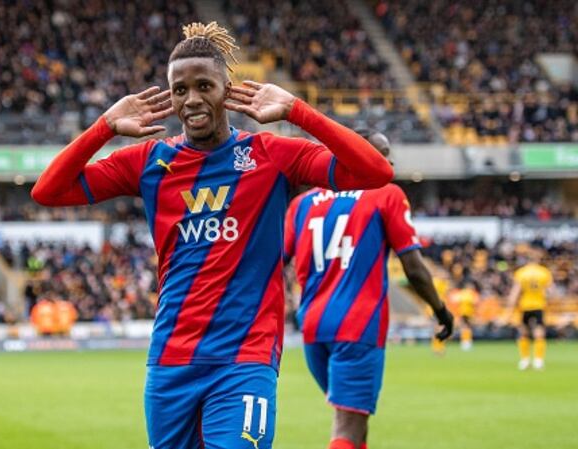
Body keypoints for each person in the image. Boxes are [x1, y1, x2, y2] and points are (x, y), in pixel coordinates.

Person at [31, 22, 393, 449]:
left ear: (227, 88)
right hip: (171, 361)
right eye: (180, 90)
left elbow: (376, 172)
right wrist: (105, 127)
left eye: (204, 86)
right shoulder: (150, 161)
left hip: (245, 360)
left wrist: (297, 110)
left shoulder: (270, 155)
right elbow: (47, 191)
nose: (192, 100)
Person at [283, 129, 453, 449]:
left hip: (313, 327)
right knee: (347, 426)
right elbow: (414, 268)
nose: (388, 162)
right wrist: (441, 310)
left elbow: (275, 264)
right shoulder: (385, 194)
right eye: (380, 153)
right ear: (354, 155)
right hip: (357, 325)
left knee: (355, 420)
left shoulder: (302, 204)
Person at [507, 250, 553, 370]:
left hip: (525, 306)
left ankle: (525, 360)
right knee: (539, 333)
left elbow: (515, 292)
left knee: (524, 333)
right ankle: (538, 360)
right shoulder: (544, 272)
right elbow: (550, 292)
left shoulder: (521, 273)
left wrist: (510, 308)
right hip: (539, 305)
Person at [454, 280, 479, 351]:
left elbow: (456, 301)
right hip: (468, 312)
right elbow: (475, 302)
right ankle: (467, 341)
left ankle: (465, 341)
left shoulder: (461, 293)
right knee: (467, 327)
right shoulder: (471, 293)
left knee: (464, 327)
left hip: (463, 312)